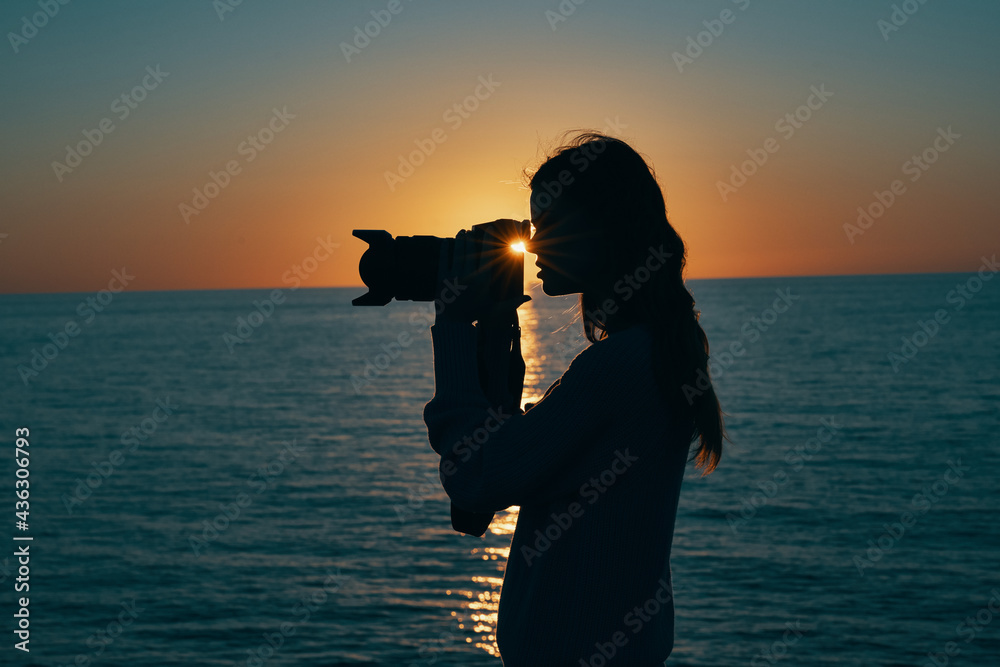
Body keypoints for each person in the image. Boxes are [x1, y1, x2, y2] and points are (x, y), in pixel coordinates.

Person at [423, 132, 726, 665]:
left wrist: (451, 324)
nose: (535, 245)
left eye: (551, 227)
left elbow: (478, 476)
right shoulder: (648, 351)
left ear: (605, 232)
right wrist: (494, 326)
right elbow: (511, 459)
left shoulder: (620, 366)